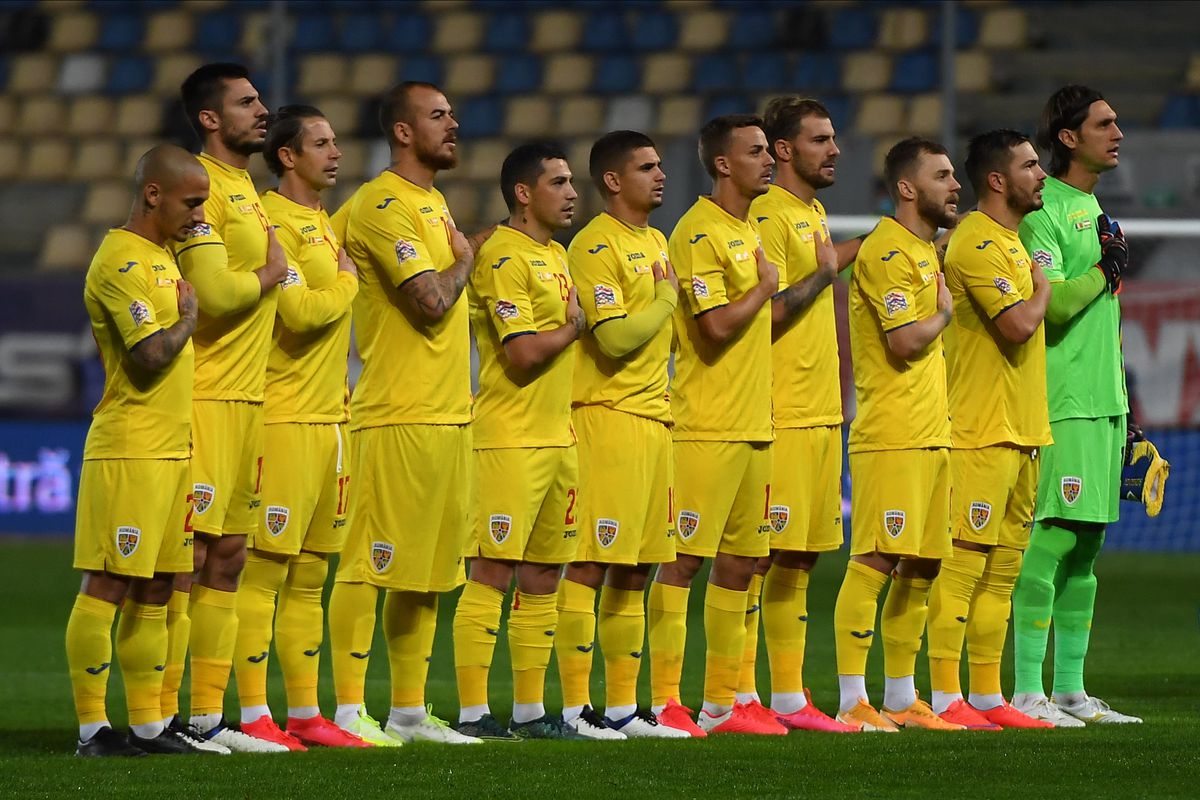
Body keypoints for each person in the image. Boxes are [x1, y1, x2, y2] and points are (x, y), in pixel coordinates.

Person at [327, 81, 481, 745]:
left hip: (446, 413)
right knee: (370, 564)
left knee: (428, 570)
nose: (454, 124)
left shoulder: (430, 200)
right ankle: (344, 710)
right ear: (400, 130)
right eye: (438, 115)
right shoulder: (383, 204)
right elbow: (428, 302)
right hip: (397, 412)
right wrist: (468, 259)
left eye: (451, 114)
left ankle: (409, 713)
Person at [68, 144, 221, 755]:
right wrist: (188, 317)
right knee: (107, 584)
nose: (199, 216)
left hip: (173, 451)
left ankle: (149, 725)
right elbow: (150, 354)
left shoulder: (161, 256)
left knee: (160, 587)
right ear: (153, 194)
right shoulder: (120, 261)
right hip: (129, 450)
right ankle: (91, 729)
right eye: (192, 203)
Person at [230, 105, 369, 748]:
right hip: (283, 417)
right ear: (287, 155)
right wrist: (347, 284)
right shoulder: (270, 221)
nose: (335, 153)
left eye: (336, 142)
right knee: (264, 572)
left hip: (331, 421)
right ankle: (253, 712)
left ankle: (306, 715)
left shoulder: (322, 223)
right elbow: (296, 313)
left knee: (312, 575)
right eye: (321, 143)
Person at [648, 114, 787, 736]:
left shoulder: (749, 228)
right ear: (723, 164)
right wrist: (764, 288)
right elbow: (713, 328)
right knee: (683, 563)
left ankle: (721, 703)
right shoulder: (698, 232)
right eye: (756, 152)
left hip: (755, 422)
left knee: (742, 565)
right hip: (706, 425)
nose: (769, 161)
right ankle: (663, 700)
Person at [552, 131, 690, 739]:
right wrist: (666, 297)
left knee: (636, 570)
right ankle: (575, 708)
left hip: (654, 421)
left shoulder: (656, 240)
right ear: (613, 180)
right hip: (606, 417)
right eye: (647, 167)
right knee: (589, 565)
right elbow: (610, 338)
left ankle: (623, 709)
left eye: (660, 165)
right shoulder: (593, 246)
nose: (661, 175)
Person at [1011, 85, 1142, 726]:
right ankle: (1025, 692)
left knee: (1087, 547)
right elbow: (1055, 308)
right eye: (1104, 124)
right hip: (1061, 399)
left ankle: (1069, 691)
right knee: (1051, 540)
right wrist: (1103, 272)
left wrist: (1128, 408)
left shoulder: (1098, 212)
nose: (1118, 132)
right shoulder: (1045, 213)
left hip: (1103, 401)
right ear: (1069, 137)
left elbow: (1101, 322)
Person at [170, 63, 289, 753]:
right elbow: (212, 295)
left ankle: (211, 718)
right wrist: (270, 276)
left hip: (251, 401)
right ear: (210, 118)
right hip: (207, 396)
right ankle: (167, 714)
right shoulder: (198, 185)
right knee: (190, 556)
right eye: (246, 103)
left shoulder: (247, 188)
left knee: (231, 557)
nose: (261, 111)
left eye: (261, 100)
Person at [452, 142, 588, 741]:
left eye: (571, 181)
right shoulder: (505, 257)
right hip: (509, 440)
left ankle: (531, 713)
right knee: (491, 572)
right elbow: (523, 352)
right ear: (524, 194)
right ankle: (474, 714)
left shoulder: (554, 253)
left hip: (557, 437)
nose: (572, 192)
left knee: (542, 578)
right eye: (558, 182)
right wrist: (573, 327)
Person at [925, 129, 1055, 730]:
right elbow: (1018, 326)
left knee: (1003, 570)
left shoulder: (1008, 241)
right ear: (998, 180)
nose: (1042, 175)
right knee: (964, 565)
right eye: (1031, 166)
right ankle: (947, 694)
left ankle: (985, 694)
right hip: (979, 429)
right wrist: (1045, 285)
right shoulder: (976, 242)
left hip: (1021, 428)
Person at [834, 136, 964, 732]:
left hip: (931, 432)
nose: (955, 185)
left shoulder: (922, 249)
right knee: (877, 560)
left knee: (925, 564)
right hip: (893, 433)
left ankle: (900, 696)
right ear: (908, 188)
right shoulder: (888, 249)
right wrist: (943, 313)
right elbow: (903, 341)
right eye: (942, 175)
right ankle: (851, 698)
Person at [748, 96, 860, 733]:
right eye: (820, 139)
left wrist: (871, 243)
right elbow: (769, 310)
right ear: (784, 149)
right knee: (759, 558)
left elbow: (819, 263)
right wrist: (825, 272)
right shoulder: (764, 214)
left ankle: (787, 698)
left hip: (819, 412)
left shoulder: (809, 212)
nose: (835, 149)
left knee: (800, 557)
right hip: (779, 410)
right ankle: (734, 696)